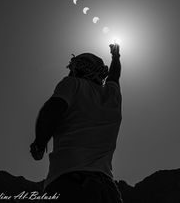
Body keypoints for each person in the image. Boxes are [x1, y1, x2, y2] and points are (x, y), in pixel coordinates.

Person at [30, 43, 123, 202]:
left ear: (77, 68)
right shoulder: (113, 95)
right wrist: (115, 56)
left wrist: (39, 145)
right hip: (109, 190)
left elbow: (51, 111)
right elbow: (114, 75)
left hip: (71, 183)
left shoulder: (71, 84)